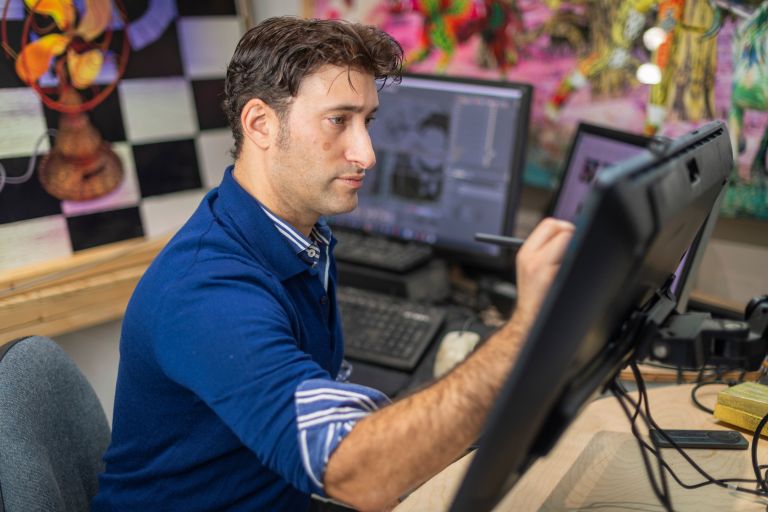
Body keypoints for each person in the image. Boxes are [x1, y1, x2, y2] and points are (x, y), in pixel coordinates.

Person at [92, 16, 574, 511]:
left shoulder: (301, 236)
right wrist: (524, 337)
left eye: (368, 121)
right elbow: (356, 475)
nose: (366, 153)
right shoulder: (205, 290)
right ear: (260, 124)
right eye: (338, 120)